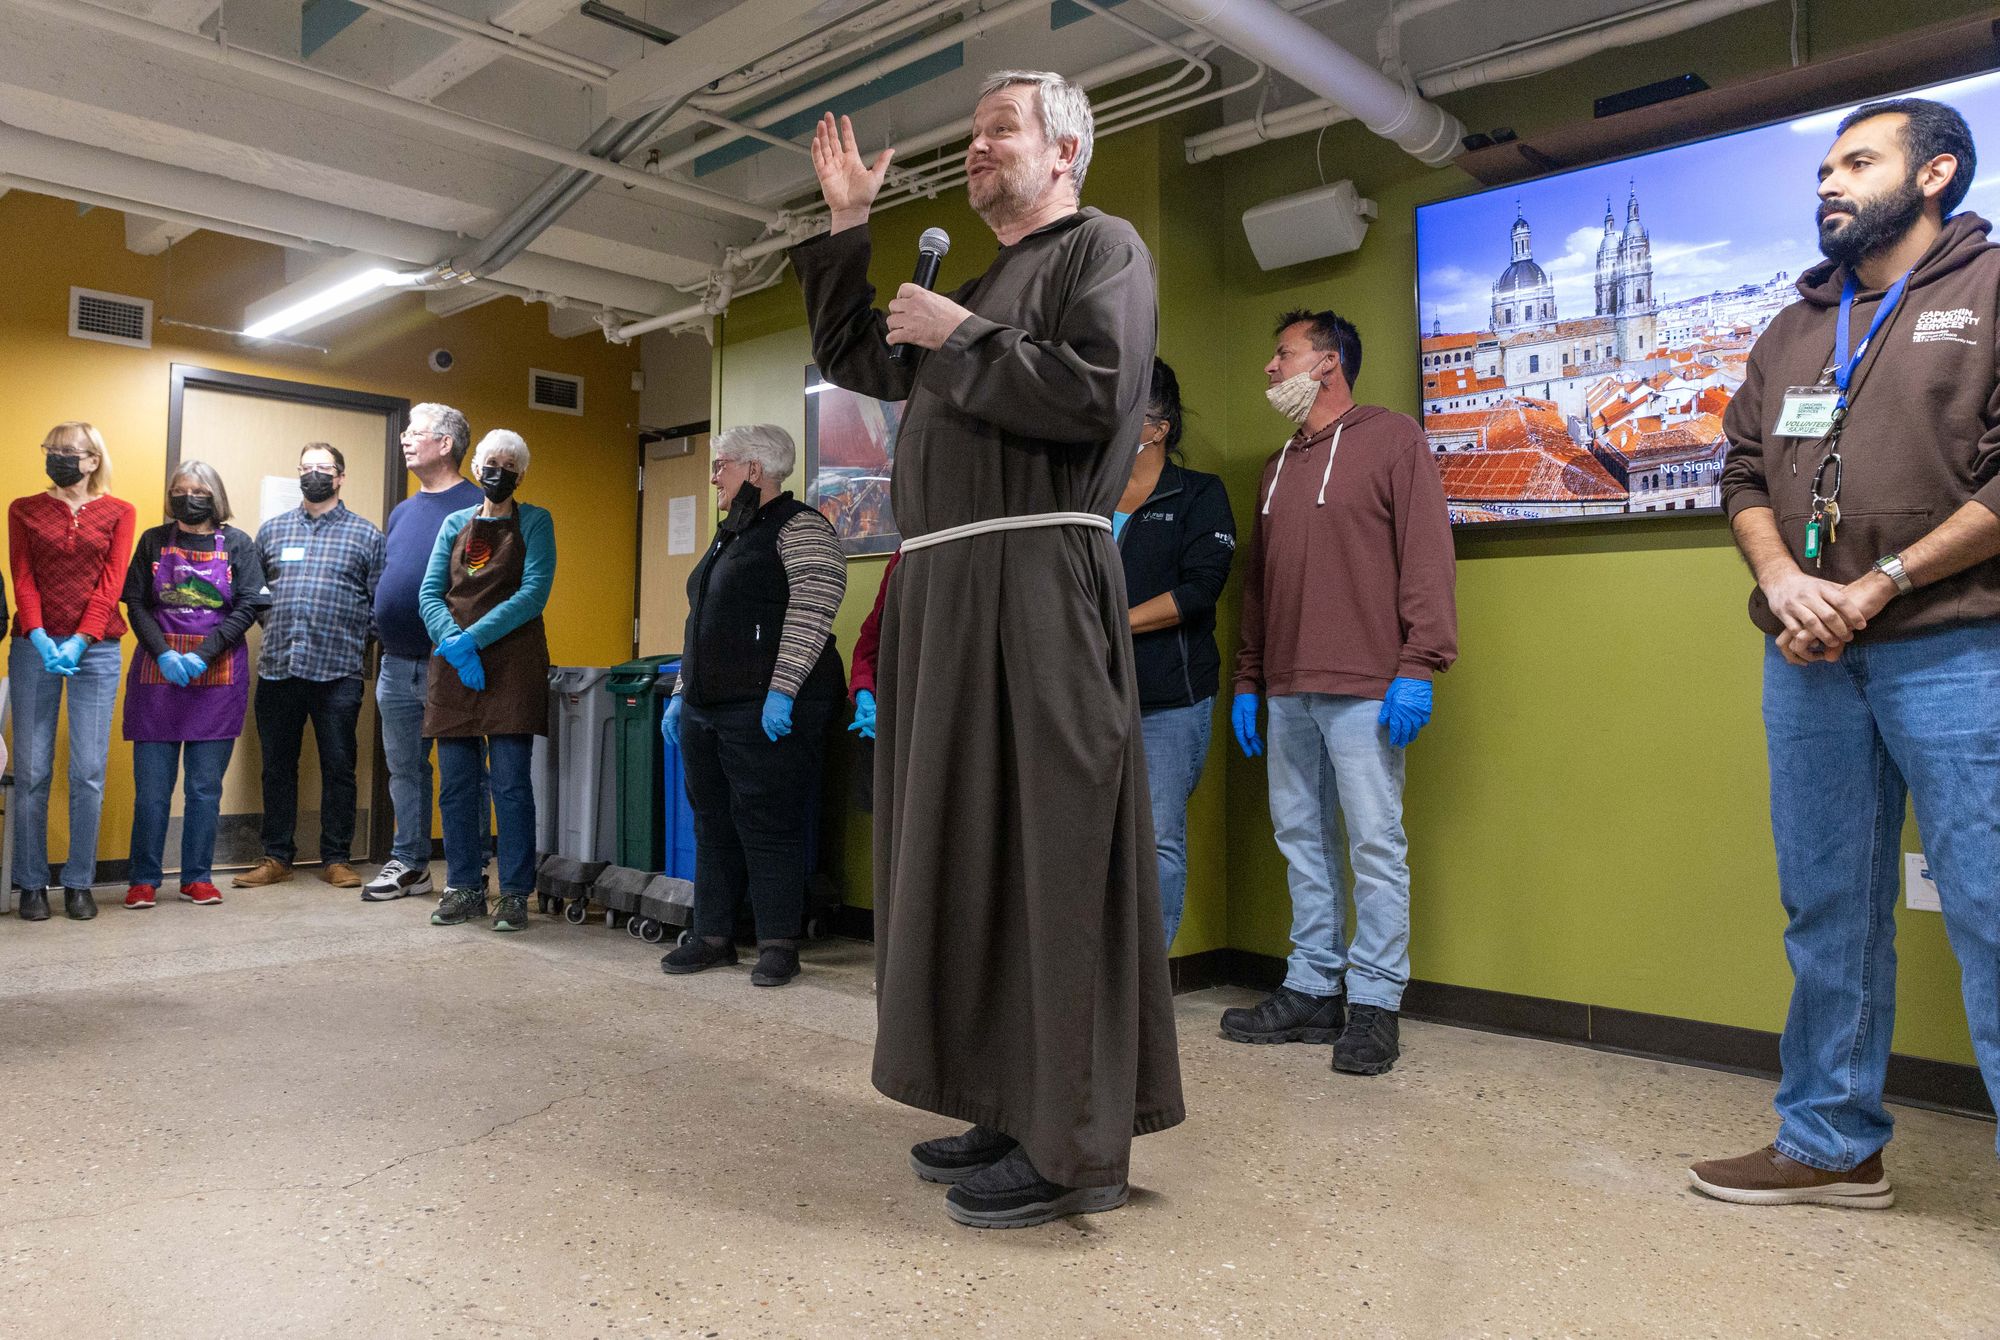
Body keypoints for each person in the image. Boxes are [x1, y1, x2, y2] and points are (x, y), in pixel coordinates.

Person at [793, 70, 1184, 1230]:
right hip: (951, 586)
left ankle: (1073, 1142)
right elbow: (861, 359)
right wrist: (848, 227)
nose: (976, 146)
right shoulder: (976, 283)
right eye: (970, 131)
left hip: (1036, 578)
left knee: (1051, 853)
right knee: (967, 848)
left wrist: (959, 332)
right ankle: (1002, 1096)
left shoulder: (1100, 248)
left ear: (1062, 151)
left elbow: (1091, 391)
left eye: (998, 128)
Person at [1693, 98, 2000, 1208]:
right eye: (1821, 165)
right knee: (1825, 899)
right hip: (1806, 656)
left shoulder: (1986, 288)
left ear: (1934, 174)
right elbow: (1738, 474)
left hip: (1956, 644)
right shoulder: (1792, 327)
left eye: (1855, 161)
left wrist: (1877, 583)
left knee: (1988, 901)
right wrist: (1780, 581)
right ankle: (1827, 1141)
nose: (1826, 181)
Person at [1225, 308, 1457, 1077]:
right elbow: (1258, 588)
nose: (1269, 368)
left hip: (1367, 686)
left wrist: (1419, 664)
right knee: (1302, 840)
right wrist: (1249, 679)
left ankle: (1376, 1004)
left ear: (1326, 364)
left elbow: (1426, 557)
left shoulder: (1393, 440)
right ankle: (1313, 985)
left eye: (1281, 353)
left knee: (1374, 844)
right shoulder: (1277, 465)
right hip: (1286, 686)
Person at [659, 424, 846, 987]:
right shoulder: (731, 532)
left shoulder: (801, 527)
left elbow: (815, 608)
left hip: (766, 706)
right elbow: (702, 624)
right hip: (707, 706)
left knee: (769, 825)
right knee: (712, 822)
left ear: (755, 471)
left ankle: (777, 943)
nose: (714, 476)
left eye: (722, 465)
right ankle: (713, 936)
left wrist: (783, 690)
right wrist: (679, 695)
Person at [1116, 358, 1235, 948]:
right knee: (1090, 837)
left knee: (1157, 835)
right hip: (1090, 694)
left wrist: (1115, 625)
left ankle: (1147, 980)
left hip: (1168, 696)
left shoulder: (1198, 495)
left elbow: (1199, 589)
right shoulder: (1087, 494)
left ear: (1158, 427)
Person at [419, 430, 553, 934]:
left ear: (520, 474)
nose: (498, 471)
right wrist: (452, 642)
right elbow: (430, 592)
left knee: (512, 784)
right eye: (490, 462)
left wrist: (472, 639)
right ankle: (464, 887)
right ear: (475, 467)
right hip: (453, 664)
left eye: (508, 465)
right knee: (455, 785)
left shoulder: (536, 522)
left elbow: (534, 592)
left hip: (513, 663)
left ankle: (515, 892)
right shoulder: (454, 523)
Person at [120, 462, 271, 909]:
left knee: (205, 788)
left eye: (199, 490)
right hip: (157, 678)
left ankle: (197, 878)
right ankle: (144, 878)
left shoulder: (238, 544)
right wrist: (164, 653)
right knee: (151, 792)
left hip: (217, 681)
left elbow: (248, 606)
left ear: (215, 496)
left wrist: (202, 655)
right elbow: (135, 602)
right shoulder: (152, 540)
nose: (189, 497)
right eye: (180, 490)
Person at [237, 443, 385, 891]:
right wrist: (282, 623)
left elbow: (380, 605)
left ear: (340, 477)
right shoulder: (272, 531)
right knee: (277, 766)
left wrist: (356, 640)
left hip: (338, 670)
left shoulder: (366, 535)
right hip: (280, 666)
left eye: (324, 468)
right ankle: (276, 856)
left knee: (339, 765)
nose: (314, 475)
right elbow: (256, 595)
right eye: (307, 468)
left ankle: (337, 857)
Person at [8, 422, 135, 922]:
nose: (58, 458)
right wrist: (38, 635)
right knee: (34, 771)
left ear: (92, 460)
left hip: (97, 649)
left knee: (88, 771)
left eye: (69, 452)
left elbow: (112, 581)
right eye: (51, 450)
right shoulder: (24, 508)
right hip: (32, 647)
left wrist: (81, 639)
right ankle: (31, 883)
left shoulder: (119, 511)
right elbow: (23, 574)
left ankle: (79, 883)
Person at [363, 403, 482, 904]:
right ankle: (411, 863)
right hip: (395, 662)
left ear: (446, 443)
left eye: (416, 433)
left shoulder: (479, 506)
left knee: (461, 772)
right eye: (405, 433)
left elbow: (479, 583)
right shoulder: (403, 511)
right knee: (405, 769)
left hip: (449, 662)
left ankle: (465, 874)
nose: (405, 440)